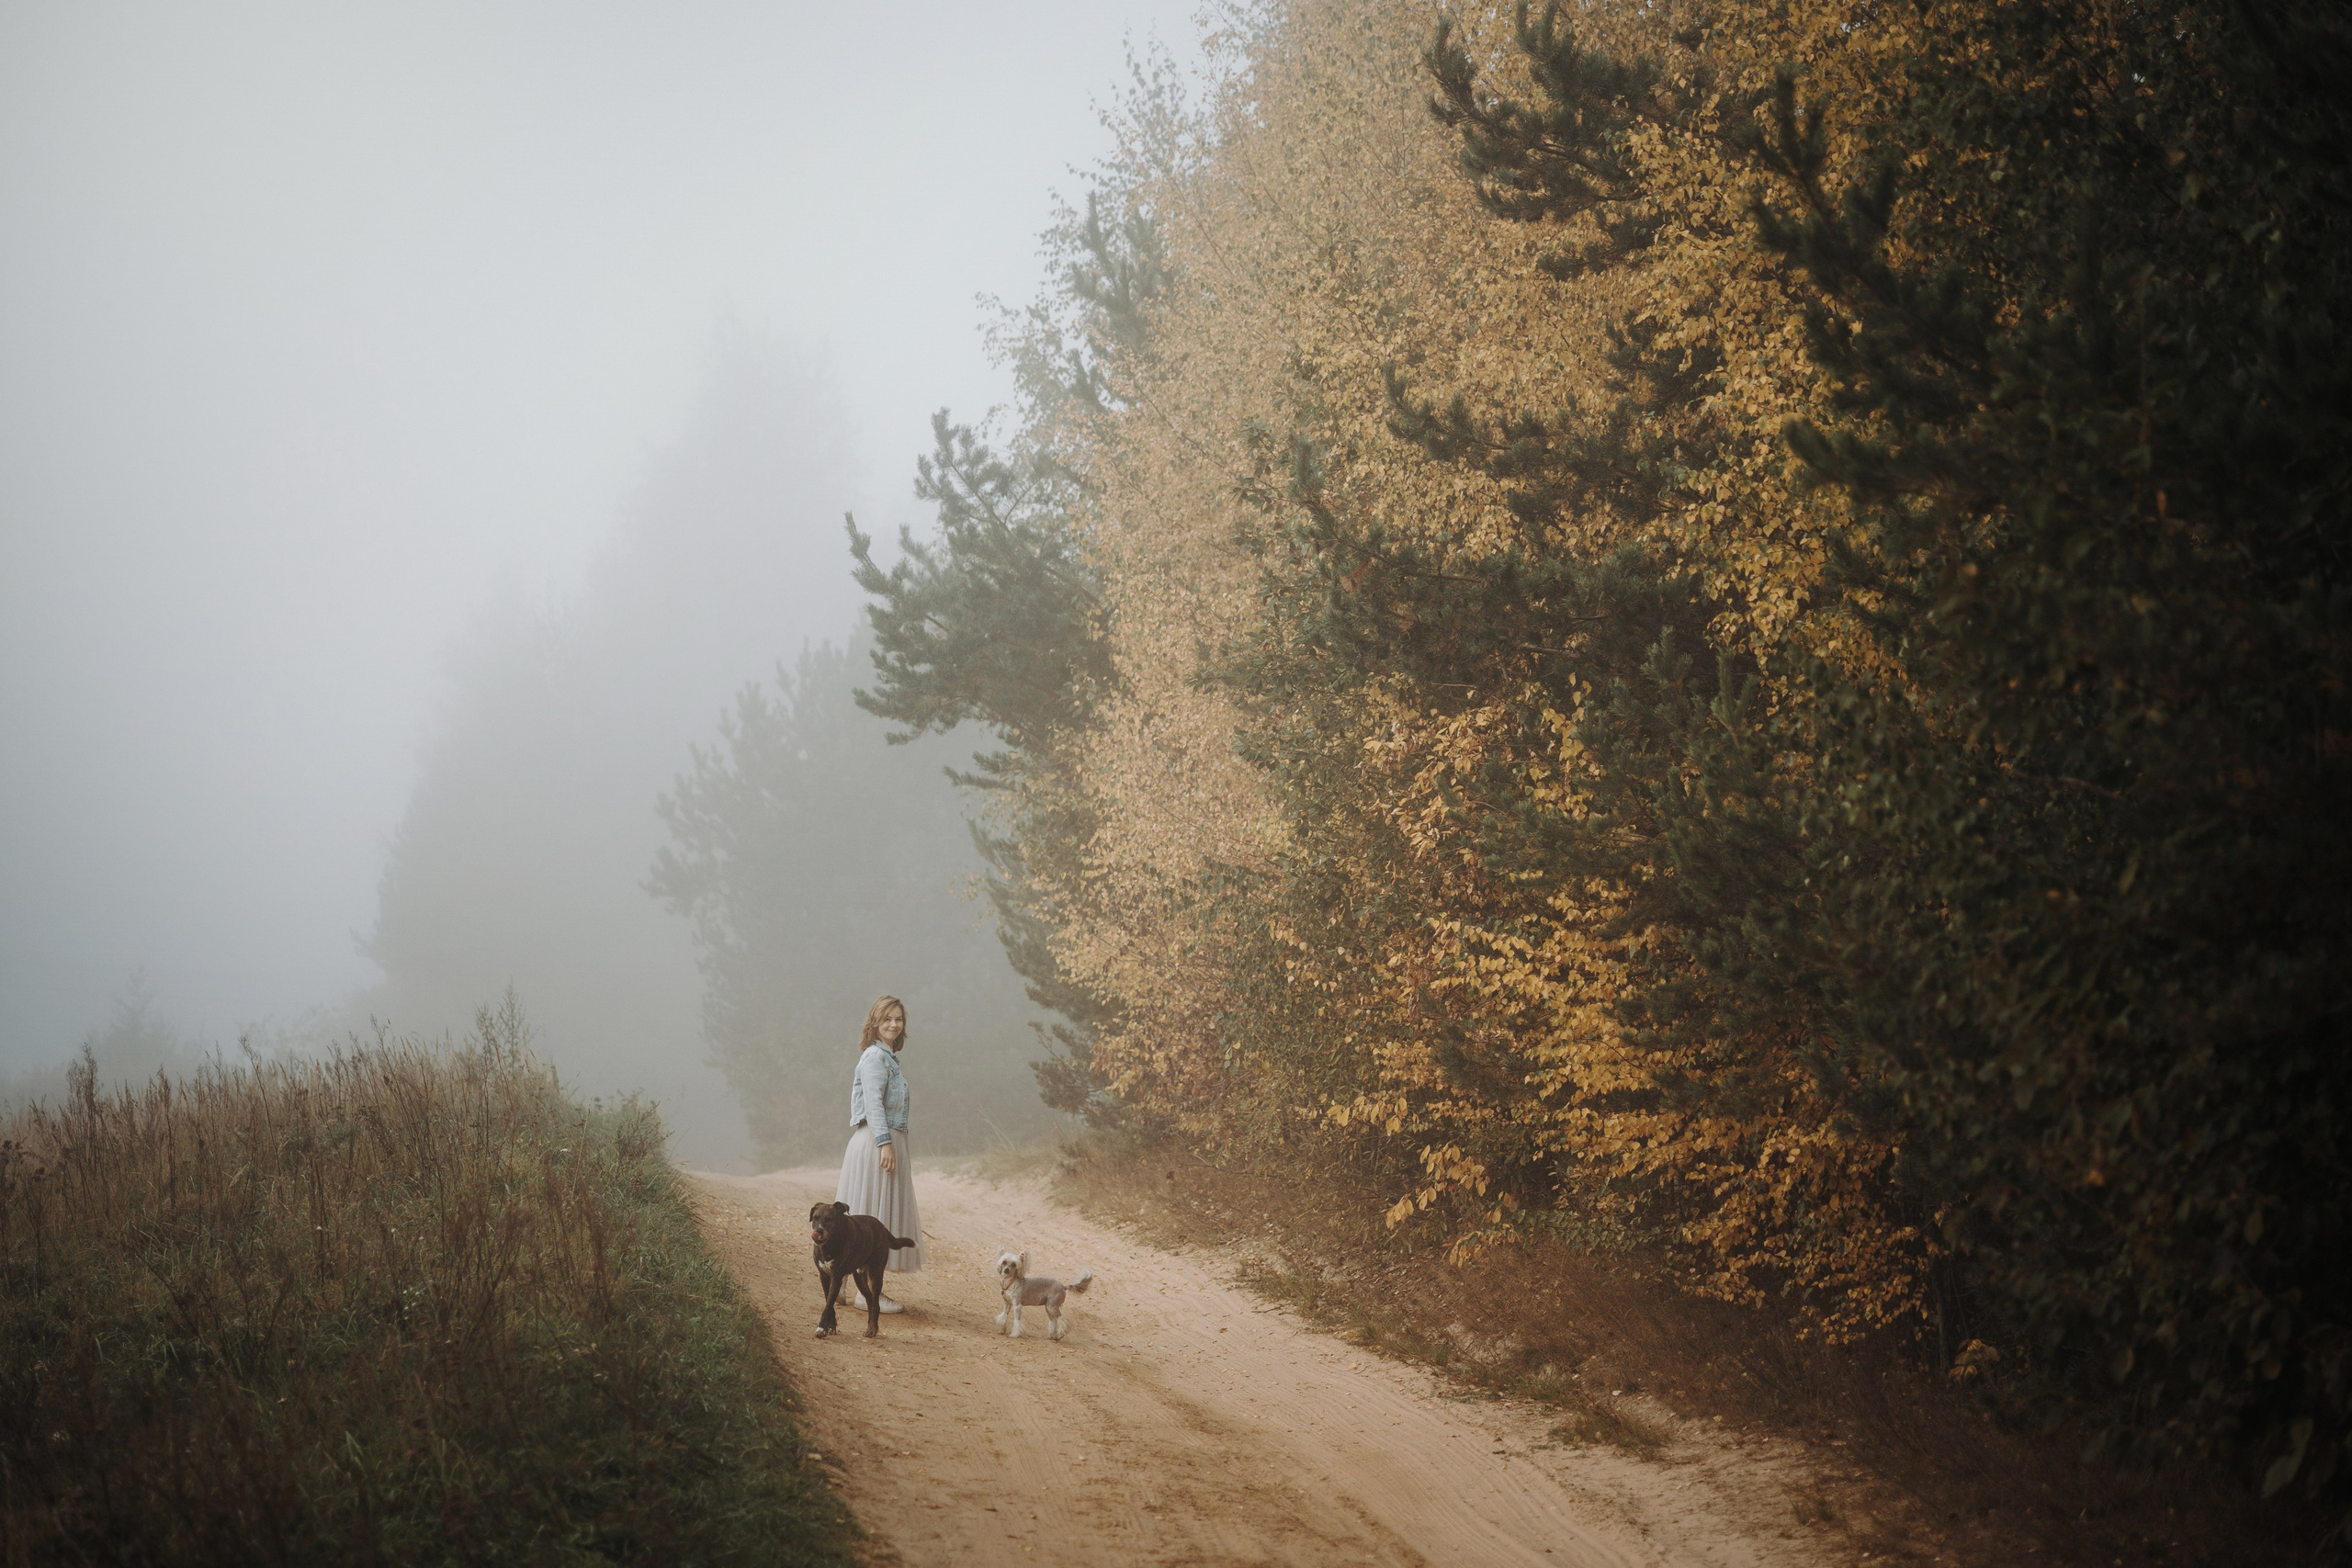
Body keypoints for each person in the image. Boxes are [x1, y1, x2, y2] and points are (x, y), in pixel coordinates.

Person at [836, 994, 923, 1310]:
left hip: (880, 1140)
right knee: (873, 1216)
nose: (894, 1024)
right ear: (875, 1022)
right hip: (877, 1143)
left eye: (898, 1019)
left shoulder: (887, 1058)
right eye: (887, 1018)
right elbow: (873, 1104)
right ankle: (867, 1293)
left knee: (865, 1210)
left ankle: (841, 1284)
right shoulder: (875, 1057)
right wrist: (885, 1143)